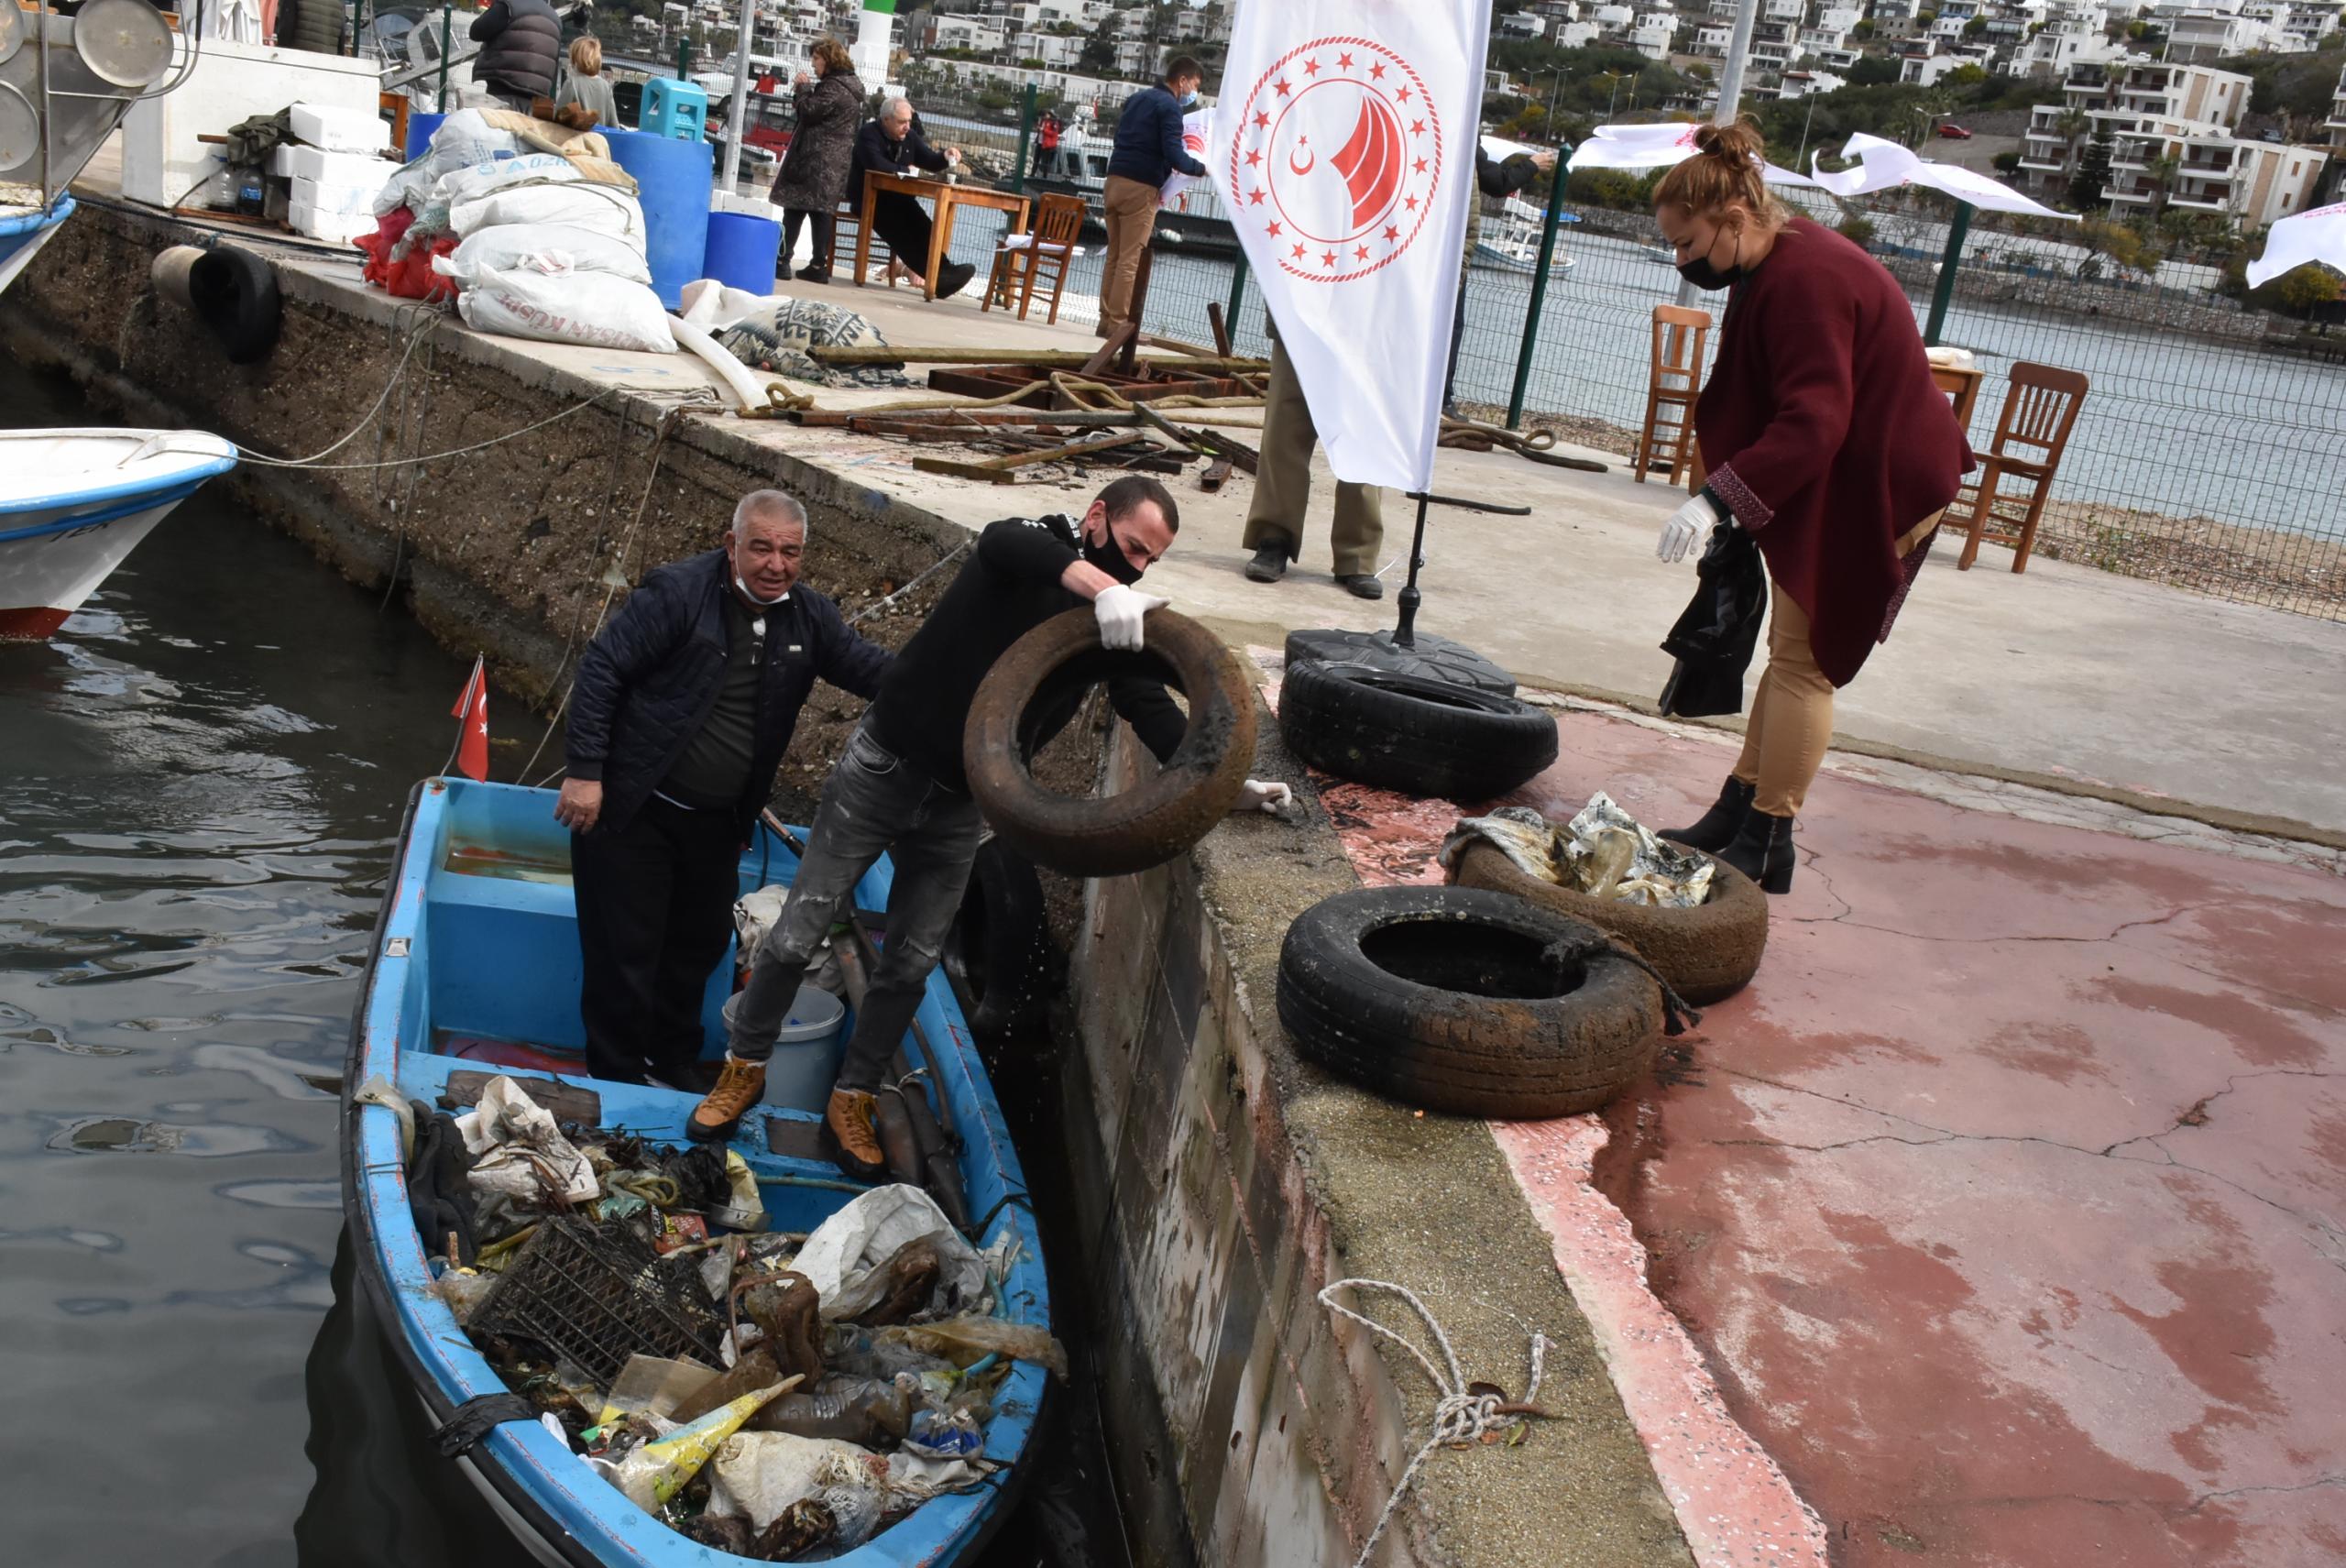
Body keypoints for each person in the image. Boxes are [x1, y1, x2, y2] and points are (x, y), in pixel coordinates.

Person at [687, 477, 1293, 1157]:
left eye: (1151, 560)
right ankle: (744, 1069)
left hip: (965, 800)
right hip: (888, 765)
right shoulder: (1028, 549)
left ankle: (852, 1095)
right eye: (1130, 548)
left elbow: (1144, 700)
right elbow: (1007, 542)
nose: (1138, 568)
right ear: (1095, 518)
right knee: (800, 930)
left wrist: (1222, 778)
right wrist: (1103, 587)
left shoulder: (1109, 619)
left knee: (912, 961)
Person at [1651, 122, 1969, 894]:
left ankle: (1771, 836)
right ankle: (1742, 809)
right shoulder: (1778, 263)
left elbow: (1814, 421)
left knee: (1808, 663)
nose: (1683, 261)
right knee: (1791, 657)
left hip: (1887, 480)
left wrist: (1716, 499)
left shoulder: (1803, 280)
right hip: (1857, 468)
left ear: (1734, 219)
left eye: (1689, 244)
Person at [557, 491, 892, 1088]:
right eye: (761, 547)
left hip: (716, 823)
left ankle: (672, 1061)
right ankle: (614, 1078)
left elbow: (871, 671)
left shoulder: (810, 618)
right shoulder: (679, 594)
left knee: (699, 946)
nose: (775, 563)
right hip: (636, 809)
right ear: (732, 544)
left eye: (790, 551)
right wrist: (585, 772)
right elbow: (602, 667)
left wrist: (951, 683)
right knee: (626, 954)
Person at [1241, 311, 1385, 598]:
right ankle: (1273, 537)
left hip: (1372, 314)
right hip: (1300, 301)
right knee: (1285, 426)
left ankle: (1357, 557)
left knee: (1363, 431)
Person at [1445, 143, 1560, 415]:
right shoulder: (1464, 133)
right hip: (1450, 251)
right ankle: (1442, 398)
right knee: (1452, 325)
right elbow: (1496, 182)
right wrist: (1532, 165)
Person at [1099, 55, 1206, 341]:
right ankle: (1119, 325)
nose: (1193, 92)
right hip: (1141, 186)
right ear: (1182, 81)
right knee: (1129, 259)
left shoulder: (1137, 99)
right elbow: (1174, 154)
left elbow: (1119, 137)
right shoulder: (1171, 108)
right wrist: (1200, 168)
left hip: (1114, 180)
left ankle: (1105, 320)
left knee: (1114, 255)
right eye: (1194, 85)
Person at [850, 97, 975, 298]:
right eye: (901, 122)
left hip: (899, 199)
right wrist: (904, 169)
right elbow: (875, 164)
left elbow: (929, 160)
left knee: (924, 225)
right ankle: (938, 278)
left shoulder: (910, 136)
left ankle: (944, 271)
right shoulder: (868, 133)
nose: (907, 126)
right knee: (902, 232)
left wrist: (944, 156)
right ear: (886, 120)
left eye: (909, 121)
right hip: (870, 200)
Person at [770, 37, 862, 285]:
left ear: (829, 60)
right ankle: (818, 265)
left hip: (813, 159)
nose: (813, 65)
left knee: (795, 208)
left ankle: (782, 261)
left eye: (817, 59)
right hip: (836, 161)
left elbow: (809, 113)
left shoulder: (833, 87)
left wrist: (802, 89)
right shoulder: (854, 86)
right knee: (822, 212)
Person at [467, 0, 562, 113]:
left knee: (497, 125)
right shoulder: (556, 19)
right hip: (538, 92)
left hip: (504, 82)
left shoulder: (509, 6)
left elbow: (477, 31)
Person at [555, 35, 615, 128]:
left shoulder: (572, 83)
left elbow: (557, 119)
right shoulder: (606, 87)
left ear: (575, 58)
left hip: (575, 140)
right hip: (598, 140)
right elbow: (613, 125)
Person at [1035, 109, 1063, 181]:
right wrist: (1039, 129)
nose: (1045, 116)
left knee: (1045, 161)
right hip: (1040, 142)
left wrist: (1043, 130)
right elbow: (1039, 130)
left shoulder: (1054, 123)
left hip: (1047, 144)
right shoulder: (1042, 121)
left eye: (1047, 114)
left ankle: (1045, 176)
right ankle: (1033, 173)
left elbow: (1053, 133)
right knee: (1036, 159)